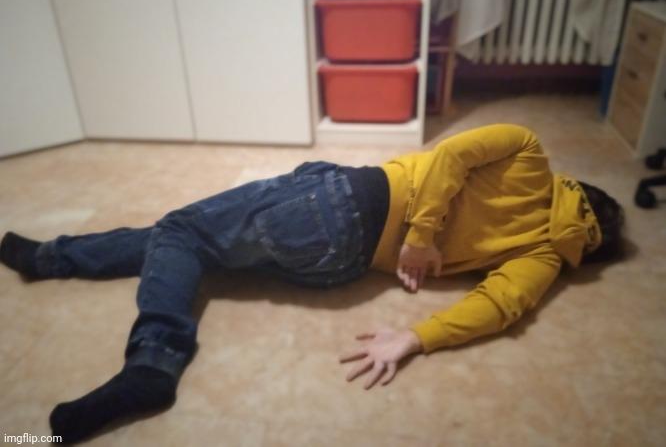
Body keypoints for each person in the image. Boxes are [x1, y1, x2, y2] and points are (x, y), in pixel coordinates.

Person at [0, 124, 624, 443]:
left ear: (577, 187)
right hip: (340, 264)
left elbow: (451, 156)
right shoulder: (547, 257)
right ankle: (53, 258)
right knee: (197, 243)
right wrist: (414, 337)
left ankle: (153, 362)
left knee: (182, 230)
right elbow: (500, 305)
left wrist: (421, 234)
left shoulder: (530, 152)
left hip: (338, 204)